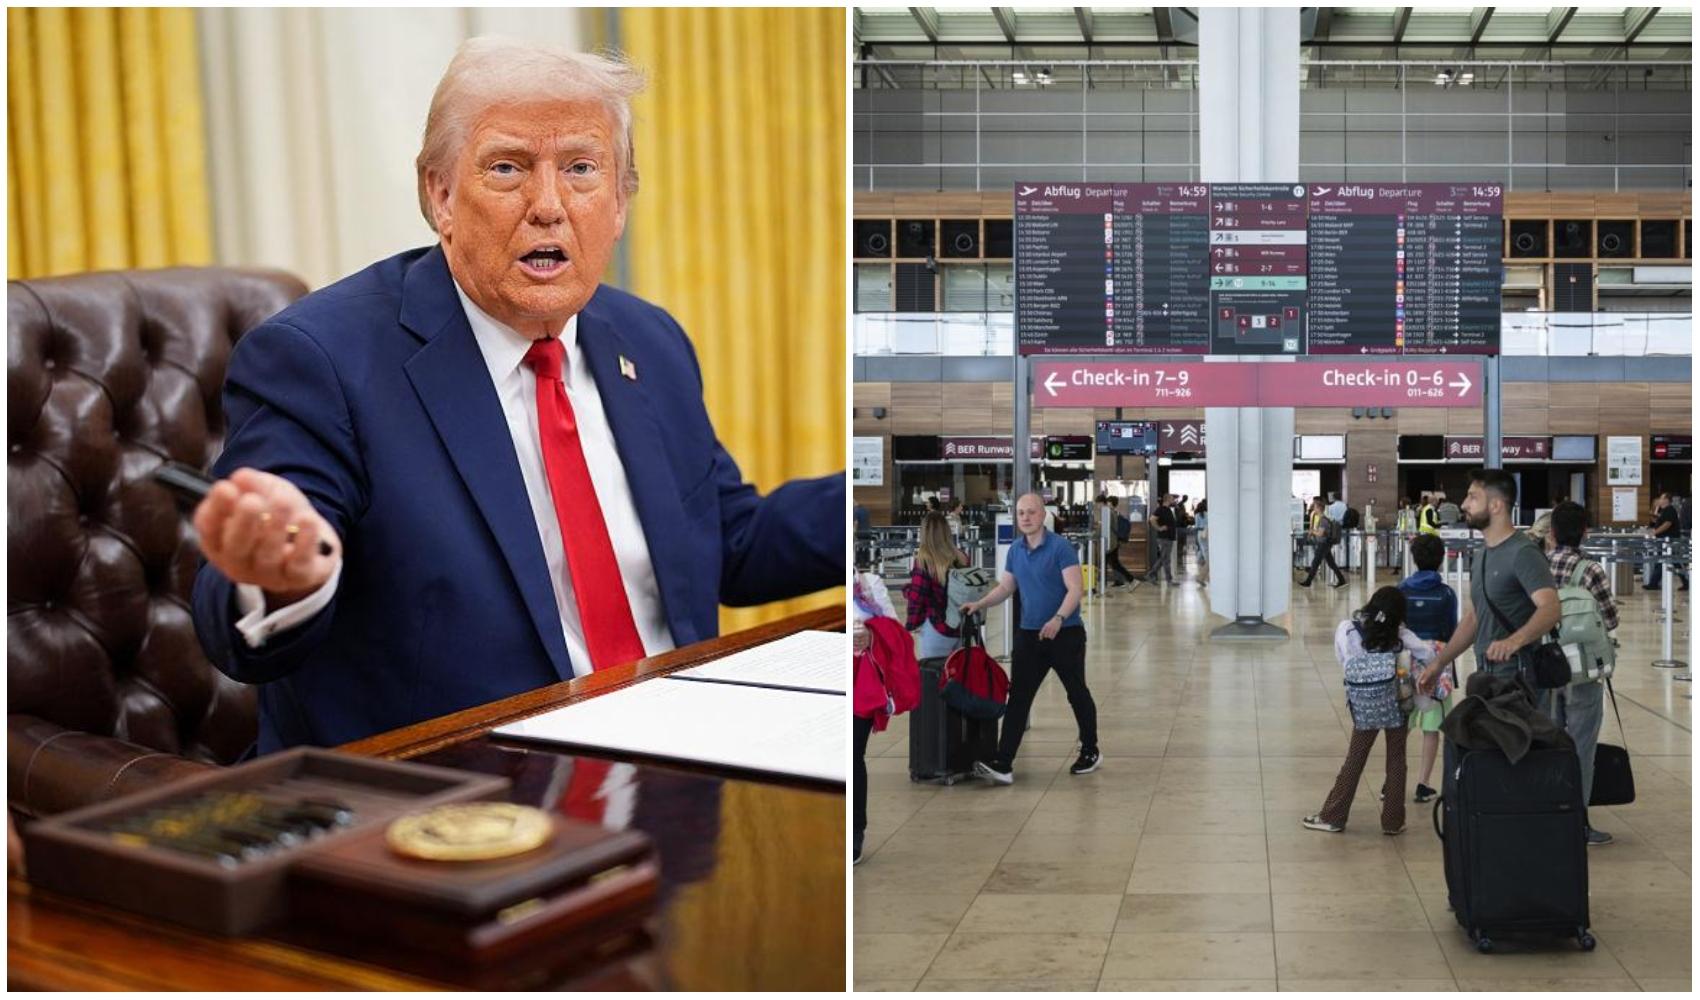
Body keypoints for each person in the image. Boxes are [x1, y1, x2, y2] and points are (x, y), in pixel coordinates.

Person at [189, 40, 844, 752]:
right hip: (459, 798)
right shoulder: (321, 361)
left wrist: (893, 500)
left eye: (582, 169)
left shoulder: (648, 341)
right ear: (439, 194)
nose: (549, 206)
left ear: (621, 201)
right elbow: (242, 618)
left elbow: (733, 546)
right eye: (508, 168)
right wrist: (284, 580)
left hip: (684, 762)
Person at [959, 493, 1099, 783]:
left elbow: (1075, 589)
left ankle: (1090, 750)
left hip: (1065, 634)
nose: (1025, 517)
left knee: (1077, 693)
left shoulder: (1061, 548)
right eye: (1021, 513)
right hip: (1029, 635)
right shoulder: (1015, 551)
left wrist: (1058, 619)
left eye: (1031, 512)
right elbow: (1006, 587)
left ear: (1043, 514)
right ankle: (1003, 762)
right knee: (1019, 698)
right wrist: (980, 604)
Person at [1304, 587, 1437, 835]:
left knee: (1355, 757)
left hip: (1364, 705)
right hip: (1397, 702)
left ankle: (1333, 815)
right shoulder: (1401, 635)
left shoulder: (1348, 629)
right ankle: (1393, 822)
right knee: (1397, 758)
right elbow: (1428, 655)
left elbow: (1343, 661)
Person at [1418, 470, 1560, 694]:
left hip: (1518, 681)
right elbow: (1475, 617)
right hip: (1486, 676)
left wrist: (1514, 641)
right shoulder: (1483, 554)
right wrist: (1439, 662)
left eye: (1473, 497)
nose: (1464, 504)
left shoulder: (1523, 552)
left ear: (1496, 506)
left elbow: (1551, 608)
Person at [1544, 502, 1619, 846]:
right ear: (1585, 532)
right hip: (1584, 672)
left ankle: (1547, 812)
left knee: (1548, 741)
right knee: (1581, 748)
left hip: (1547, 667)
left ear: (1553, 532)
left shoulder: (1540, 567)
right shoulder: (1591, 571)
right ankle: (1578, 821)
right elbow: (1610, 618)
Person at [1398, 533, 1458, 804]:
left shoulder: (1402, 590)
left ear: (1414, 558)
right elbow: (1451, 631)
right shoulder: (1446, 593)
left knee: (1403, 723)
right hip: (1437, 663)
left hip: (1406, 661)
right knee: (1432, 727)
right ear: (1441, 559)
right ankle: (1423, 784)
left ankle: (1393, 781)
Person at [852, 560, 900, 866]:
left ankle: (855, 832)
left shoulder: (869, 584)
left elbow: (895, 631)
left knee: (853, 754)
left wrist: (871, 635)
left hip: (861, 682)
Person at [903, 513, 969, 664]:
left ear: (925, 533)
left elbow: (917, 598)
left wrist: (911, 625)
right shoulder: (962, 557)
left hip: (936, 628)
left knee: (934, 680)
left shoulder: (925, 560)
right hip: (961, 627)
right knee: (958, 679)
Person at [1299, 496, 1348, 588]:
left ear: (1318, 507)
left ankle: (1308, 582)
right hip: (1324, 544)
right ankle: (1342, 580)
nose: (1313, 507)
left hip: (1324, 544)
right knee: (1331, 563)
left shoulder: (1323, 520)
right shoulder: (1322, 518)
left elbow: (1320, 533)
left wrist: (1312, 531)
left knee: (1315, 562)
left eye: (1314, 506)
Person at [1645, 492, 1688, 591]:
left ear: (1666, 500)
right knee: (1672, 561)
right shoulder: (1664, 510)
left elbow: (1667, 524)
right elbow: (1661, 522)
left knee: (1666, 561)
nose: (1659, 500)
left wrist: (1655, 532)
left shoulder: (1670, 510)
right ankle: (1685, 582)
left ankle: (1653, 583)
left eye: (1661, 498)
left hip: (1669, 540)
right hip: (1665, 540)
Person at [1145, 493, 1178, 584]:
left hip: (1169, 537)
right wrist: (1159, 528)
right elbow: (1152, 519)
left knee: (1163, 558)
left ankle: (1151, 574)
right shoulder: (1161, 509)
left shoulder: (1168, 510)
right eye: (1172, 499)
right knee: (1166, 559)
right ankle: (1169, 580)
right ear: (1167, 499)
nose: (1173, 500)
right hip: (1164, 538)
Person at [1103, 496, 1135, 587]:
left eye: (1108, 502)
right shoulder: (1115, 513)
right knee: (1114, 562)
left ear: (1112, 504)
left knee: (1113, 562)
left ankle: (1129, 579)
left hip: (1112, 542)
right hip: (1114, 541)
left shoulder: (1111, 514)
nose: (1106, 504)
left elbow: (1112, 528)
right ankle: (1121, 580)